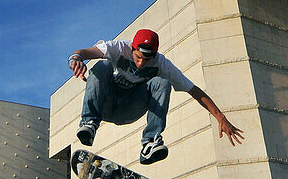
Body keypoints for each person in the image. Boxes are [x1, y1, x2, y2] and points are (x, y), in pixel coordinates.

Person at [68, 29, 244, 165]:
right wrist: (76, 58)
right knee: (101, 66)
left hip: (128, 109)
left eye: (146, 60)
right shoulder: (119, 47)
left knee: (162, 81)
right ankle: (89, 123)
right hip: (105, 104)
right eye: (137, 57)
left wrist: (221, 118)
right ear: (132, 48)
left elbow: (195, 91)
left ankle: (149, 143)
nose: (141, 63)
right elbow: (84, 52)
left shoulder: (161, 63)